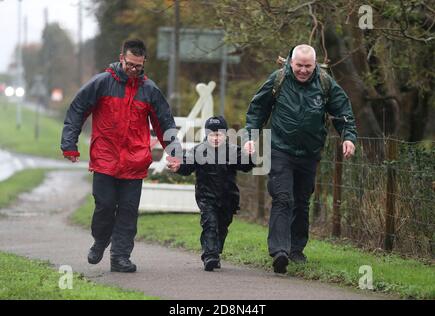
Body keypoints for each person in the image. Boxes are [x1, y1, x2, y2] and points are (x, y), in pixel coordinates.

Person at [61, 39, 180, 273]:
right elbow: (77, 110)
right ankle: (101, 239)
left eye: (138, 66)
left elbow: (164, 122)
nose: (133, 70)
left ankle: (120, 257)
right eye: (129, 65)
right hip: (105, 159)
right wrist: (69, 144)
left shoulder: (150, 90)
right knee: (104, 206)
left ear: (144, 62)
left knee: (127, 212)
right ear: (121, 58)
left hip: (135, 162)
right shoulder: (101, 83)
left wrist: (174, 153)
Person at [244, 44, 357, 274]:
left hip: (309, 153)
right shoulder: (279, 79)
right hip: (280, 149)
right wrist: (250, 137)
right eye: (299, 65)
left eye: (308, 66)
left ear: (315, 64)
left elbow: (343, 111)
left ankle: (296, 250)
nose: (303, 70)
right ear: (290, 62)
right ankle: (279, 252)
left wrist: (348, 137)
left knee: (302, 201)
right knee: (283, 197)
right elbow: (257, 109)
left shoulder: (325, 83)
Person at [167, 116, 255, 271]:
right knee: (210, 223)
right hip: (206, 196)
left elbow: (245, 165)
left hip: (228, 198)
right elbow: (187, 164)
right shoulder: (198, 151)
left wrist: (250, 156)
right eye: (212, 134)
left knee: (222, 226)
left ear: (225, 135)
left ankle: (215, 251)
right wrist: (179, 166)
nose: (215, 137)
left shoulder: (233, 151)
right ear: (206, 135)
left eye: (219, 134)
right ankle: (210, 255)